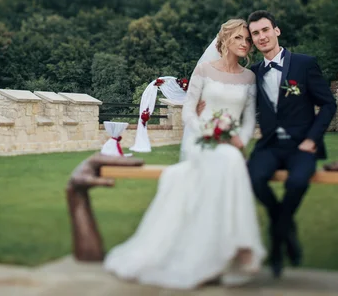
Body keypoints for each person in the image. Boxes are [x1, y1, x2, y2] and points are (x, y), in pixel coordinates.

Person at [103, 19, 266, 289]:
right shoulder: (203, 70)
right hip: (201, 139)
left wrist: (239, 138)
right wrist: (209, 131)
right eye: (239, 37)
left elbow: (248, 119)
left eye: (247, 40)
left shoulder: (248, 78)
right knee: (230, 160)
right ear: (225, 40)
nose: (244, 44)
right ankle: (239, 244)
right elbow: (188, 111)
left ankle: (229, 245)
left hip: (230, 143)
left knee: (231, 158)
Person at [246, 10, 337, 278]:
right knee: (254, 179)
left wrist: (312, 138)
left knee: (297, 182)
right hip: (270, 145)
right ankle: (285, 226)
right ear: (252, 39)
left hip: (302, 145)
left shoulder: (304, 64)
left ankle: (277, 243)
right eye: (255, 33)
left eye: (265, 30)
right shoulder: (252, 74)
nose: (261, 36)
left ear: (277, 31)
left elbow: (329, 103)